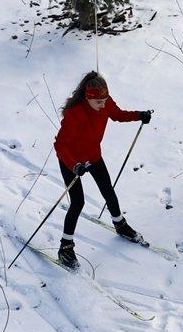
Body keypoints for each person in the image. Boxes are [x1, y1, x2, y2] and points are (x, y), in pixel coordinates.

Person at [52, 72, 151, 269]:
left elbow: (118, 114)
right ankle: (65, 247)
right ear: (88, 98)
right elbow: (60, 145)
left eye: (105, 100)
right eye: (99, 102)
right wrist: (75, 165)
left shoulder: (105, 104)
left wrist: (139, 115)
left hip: (94, 157)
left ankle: (120, 224)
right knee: (77, 202)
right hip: (71, 161)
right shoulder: (75, 114)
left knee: (109, 191)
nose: (103, 105)